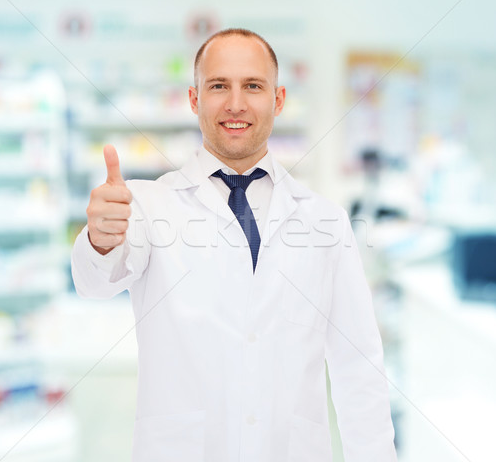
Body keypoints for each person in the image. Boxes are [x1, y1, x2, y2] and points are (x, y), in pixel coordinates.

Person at [71, 28, 397, 462]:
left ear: (279, 100)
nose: (236, 103)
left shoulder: (325, 221)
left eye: (253, 86)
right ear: (194, 99)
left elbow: (359, 367)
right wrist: (100, 239)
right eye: (219, 85)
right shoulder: (147, 206)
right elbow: (95, 283)